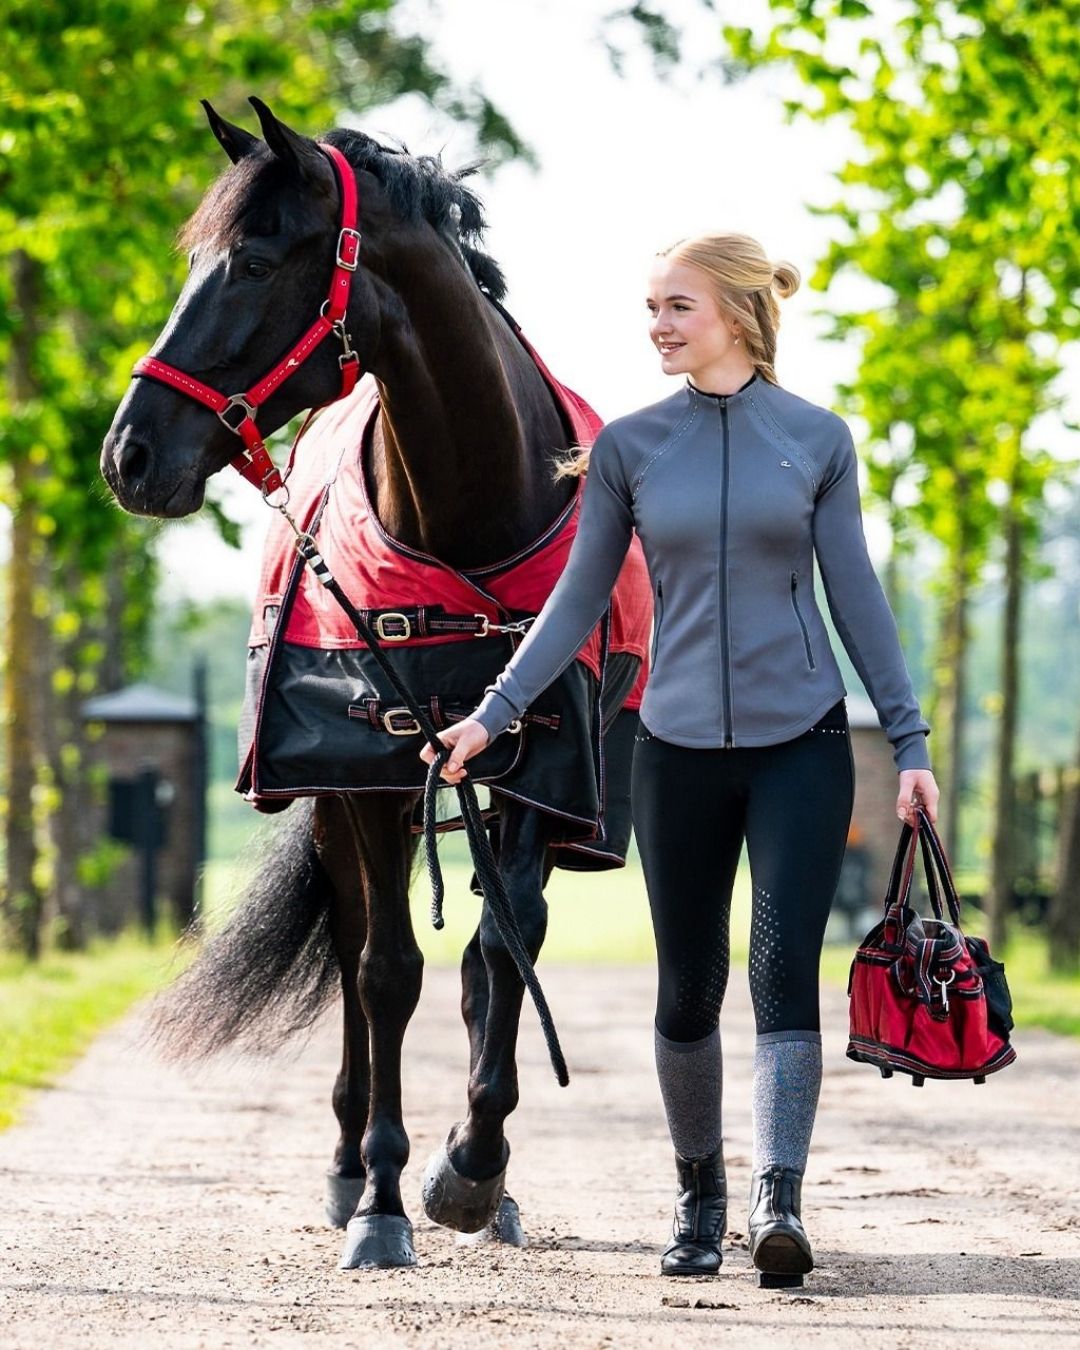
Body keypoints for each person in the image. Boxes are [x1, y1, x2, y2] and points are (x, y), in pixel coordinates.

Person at [421, 233, 939, 1284]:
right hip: (676, 749)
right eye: (651, 307)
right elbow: (578, 601)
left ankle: (778, 1202)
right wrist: (491, 713)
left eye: (677, 307)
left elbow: (857, 597)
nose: (657, 326)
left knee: (784, 971)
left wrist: (911, 741)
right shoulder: (630, 448)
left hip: (803, 745)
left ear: (737, 316)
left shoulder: (817, 440)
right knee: (687, 988)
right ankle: (699, 1197)